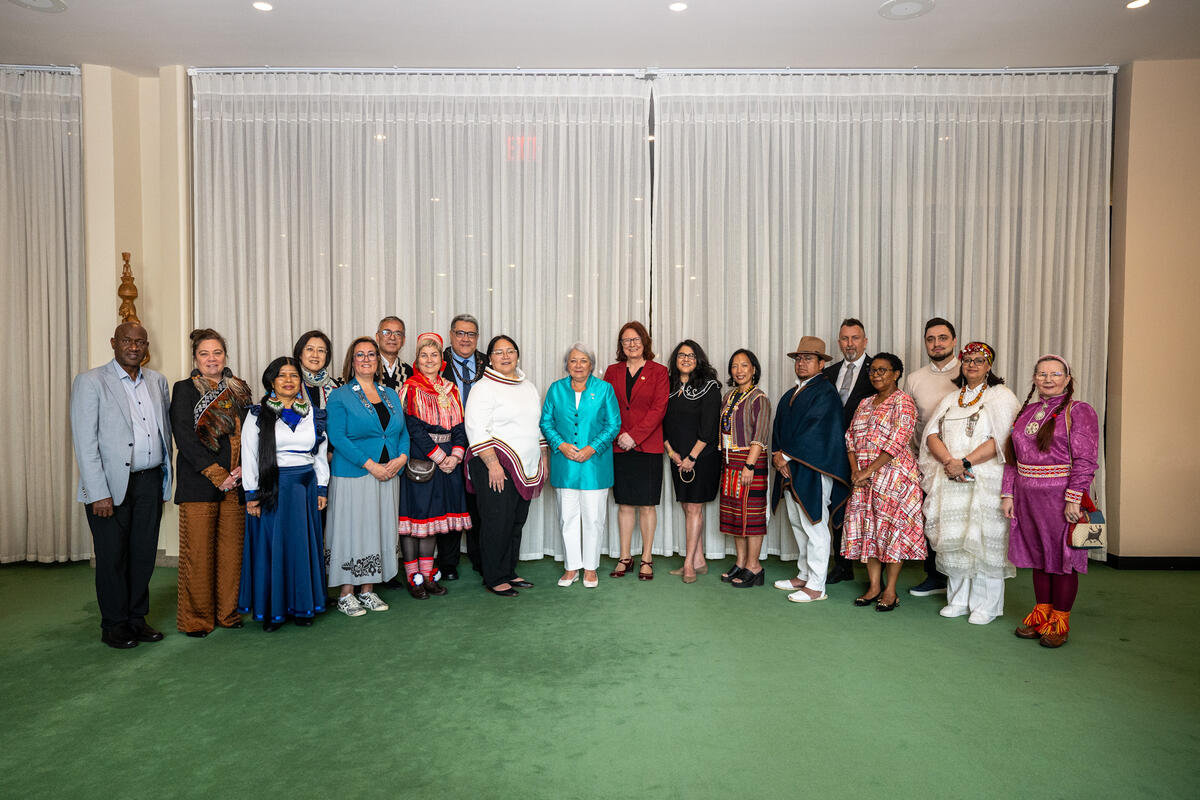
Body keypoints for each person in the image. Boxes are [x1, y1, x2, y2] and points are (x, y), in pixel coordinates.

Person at [70, 322, 173, 649]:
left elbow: (164, 431)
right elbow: (85, 442)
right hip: (109, 488)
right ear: (114, 343)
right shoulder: (91, 382)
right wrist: (98, 491)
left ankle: (136, 619)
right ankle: (113, 625)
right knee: (112, 556)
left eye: (140, 342)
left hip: (149, 481)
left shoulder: (157, 381)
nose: (134, 346)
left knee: (143, 555)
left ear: (146, 346)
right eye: (127, 341)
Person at [918, 342, 1020, 624]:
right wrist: (950, 462)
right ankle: (959, 598)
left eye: (979, 360)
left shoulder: (1001, 396)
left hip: (984, 480)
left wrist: (965, 462)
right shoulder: (952, 399)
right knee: (956, 539)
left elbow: (1002, 440)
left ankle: (985, 605)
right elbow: (931, 435)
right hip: (950, 478)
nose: (972, 365)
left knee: (984, 539)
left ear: (989, 366)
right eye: (967, 361)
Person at [1001, 355, 1099, 648]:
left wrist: (1074, 498)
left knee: (1063, 560)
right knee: (1039, 558)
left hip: (1061, 496)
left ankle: (1060, 621)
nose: (1048, 379)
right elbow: (1012, 459)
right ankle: (1041, 615)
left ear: (1068, 379)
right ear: (1034, 378)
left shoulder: (1079, 411)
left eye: (1055, 373)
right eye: (1041, 373)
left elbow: (1086, 459)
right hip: (1028, 496)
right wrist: (1008, 493)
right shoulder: (1027, 411)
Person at [169, 328, 252, 637]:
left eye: (217, 352)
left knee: (231, 555)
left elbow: (252, 433)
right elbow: (185, 438)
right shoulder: (184, 389)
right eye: (204, 353)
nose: (211, 358)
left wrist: (243, 469)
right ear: (195, 358)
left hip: (236, 483)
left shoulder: (239, 389)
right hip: (200, 484)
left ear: (225, 356)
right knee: (199, 555)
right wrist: (218, 475)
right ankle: (197, 620)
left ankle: (228, 614)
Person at [238, 357, 330, 631]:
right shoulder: (257, 414)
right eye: (282, 375)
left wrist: (321, 487)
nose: (288, 380)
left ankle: (303, 606)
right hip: (271, 489)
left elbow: (320, 454)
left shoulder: (313, 414)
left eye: (293, 375)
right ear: (271, 381)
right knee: (273, 548)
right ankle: (273, 610)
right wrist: (252, 494)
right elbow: (250, 455)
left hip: (304, 488)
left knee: (302, 547)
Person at [325, 337, 409, 616]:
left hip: (389, 473)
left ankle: (368, 590)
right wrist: (371, 465)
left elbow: (401, 432)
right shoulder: (340, 395)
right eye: (360, 355)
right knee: (352, 530)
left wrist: (402, 458)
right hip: (354, 473)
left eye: (371, 354)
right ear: (352, 360)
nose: (366, 359)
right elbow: (338, 436)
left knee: (378, 528)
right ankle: (346, 593)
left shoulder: (390, 394)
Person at [464, 335, 548, 597]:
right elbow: (476, 428)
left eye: (510, 350)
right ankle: (494, 576)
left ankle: (509, 570)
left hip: (525, 464)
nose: (505, 356)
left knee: (515, 521)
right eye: (499, 352)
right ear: (490, 358)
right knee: (495, 521)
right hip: (494, 464)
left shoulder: (529, 387)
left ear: (517, 354)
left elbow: (536, 425)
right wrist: (492, 464)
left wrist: (543, 459)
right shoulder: (483, 387)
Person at [770, 336, 852, 604]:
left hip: (813, 469)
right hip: (790, 468)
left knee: (814, 523)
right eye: (799, 358)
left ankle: (817, 585)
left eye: (808, 358)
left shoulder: (825, 393)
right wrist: (778, 456)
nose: (802, 363)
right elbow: (779, 430)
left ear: (820, 363)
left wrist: (786, 456)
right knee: (797, 522)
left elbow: (817, 432)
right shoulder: (791, 393)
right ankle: (804, 574)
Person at [842, 353, 926, 612]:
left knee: (892, 532)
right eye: (873, 371)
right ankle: (874, 586)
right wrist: (857, 471)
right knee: (870, 531)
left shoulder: (904, 402)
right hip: (864, 479)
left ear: (896, 373)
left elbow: (898, 441)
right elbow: (850, 438)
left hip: (895, 478)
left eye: (883, 370)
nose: (876, 375)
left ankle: (890, 590)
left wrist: (868, 471)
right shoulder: (865, 403)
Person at [540, 343, 620, 589]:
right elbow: (546, 422)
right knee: (568, 517)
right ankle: (571, 567)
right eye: (573, 360)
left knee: (594, 518)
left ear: (591, 365)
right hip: (565, 463)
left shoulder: (604, 389)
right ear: (567, 364)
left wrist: (591, 448)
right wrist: (560, 445)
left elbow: (613, 424)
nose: (578, 365)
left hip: (594, 465)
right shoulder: (556, 389)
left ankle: (591, 567)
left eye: (583, 360)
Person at [396, 332, 470, 599]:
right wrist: (439, 457)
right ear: (417, 360)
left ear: (442, 359)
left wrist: (456, 456)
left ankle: (427, 577)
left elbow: (460, 427)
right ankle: (413, 578)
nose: (429, 359)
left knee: (433, 521)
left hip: (449, 461)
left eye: (434, 355)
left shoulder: (451, 389)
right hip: (423, 461)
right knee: (416, 520)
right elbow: (414, 429)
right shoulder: (410, 388)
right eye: (424, 355)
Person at [603, 321, 669, 580]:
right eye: (626, 340)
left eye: (635, 340)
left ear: (645, 342)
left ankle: (647, 558)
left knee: (647, 505)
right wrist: (620, 436)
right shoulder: (612, 371)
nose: (631, 344)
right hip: (619, 446)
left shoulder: (659, 371)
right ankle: (625, 557)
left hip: (648, 447)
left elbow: (659, 409)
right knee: (625, 505)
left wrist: (635, 436)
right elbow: (607, 407)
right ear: (621, 345)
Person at [903, 317, 960, 597]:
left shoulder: (970, 370)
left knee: (959, 519)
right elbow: (912, 423)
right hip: (926, 461)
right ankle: (935, 576)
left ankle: (960, 577)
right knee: (930, 519)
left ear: (954, 341)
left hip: (962, 461)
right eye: (930, 339)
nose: (936, 344)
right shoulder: (914, 378)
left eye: (942, 338)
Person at [662, 340, 722, 583]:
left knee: (695, 508)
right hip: (677, 457)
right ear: (675, 359)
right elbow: (661, 422)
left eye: (691, 355)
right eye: (681, 355)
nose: (685, 359)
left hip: (702, 458)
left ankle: (688, 564)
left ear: (699, 359)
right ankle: (699, 561)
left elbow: (709, 429)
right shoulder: (668, 386)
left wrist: (691, 457)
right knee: (687, 507)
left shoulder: (709, 387)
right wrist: (672, 453)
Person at [822, 317, 874, 584]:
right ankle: (841, 565)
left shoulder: (878, 370)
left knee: (867, 510)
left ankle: (872, 567)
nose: (849, 343)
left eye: (855, 338)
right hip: (833, 453)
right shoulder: (829, 373)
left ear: (865, 341)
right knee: (837, 507)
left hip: (867, 455)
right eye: (845, 338)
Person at [716, 349, 772, 587]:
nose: (739, 370)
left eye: (744, 365)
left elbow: (760, 436)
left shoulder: (760, 398)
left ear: (754, 369)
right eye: (735, 366)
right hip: (730, 461)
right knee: (735, 514)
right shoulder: (729, 396)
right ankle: (740, 562)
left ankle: (754, 566)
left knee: (752, 514)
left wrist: (750, 465)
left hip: (750, 461)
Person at [438, 313, 487, 578]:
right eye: (460, 333)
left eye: (471, 334)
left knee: (479, 501)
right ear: (451, 334)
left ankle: (481, 559)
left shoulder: (487, 364)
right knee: (451, 501)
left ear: (477, 338)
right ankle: (448, 563)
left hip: (481, 442)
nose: (465, 339)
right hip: (446, 443)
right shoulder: (438, 362)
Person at [293, 330, 342, 409]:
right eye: (309, 349)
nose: (315, 355)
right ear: (300, 354)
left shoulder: (335, 386)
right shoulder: (289, 383)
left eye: (321, 350)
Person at [376, 315, 413, 390]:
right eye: (387, 332)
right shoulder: (366, 366)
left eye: (398, 334)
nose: (392, 337)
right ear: (377, 337)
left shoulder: (409, 372)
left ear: (403, 340)